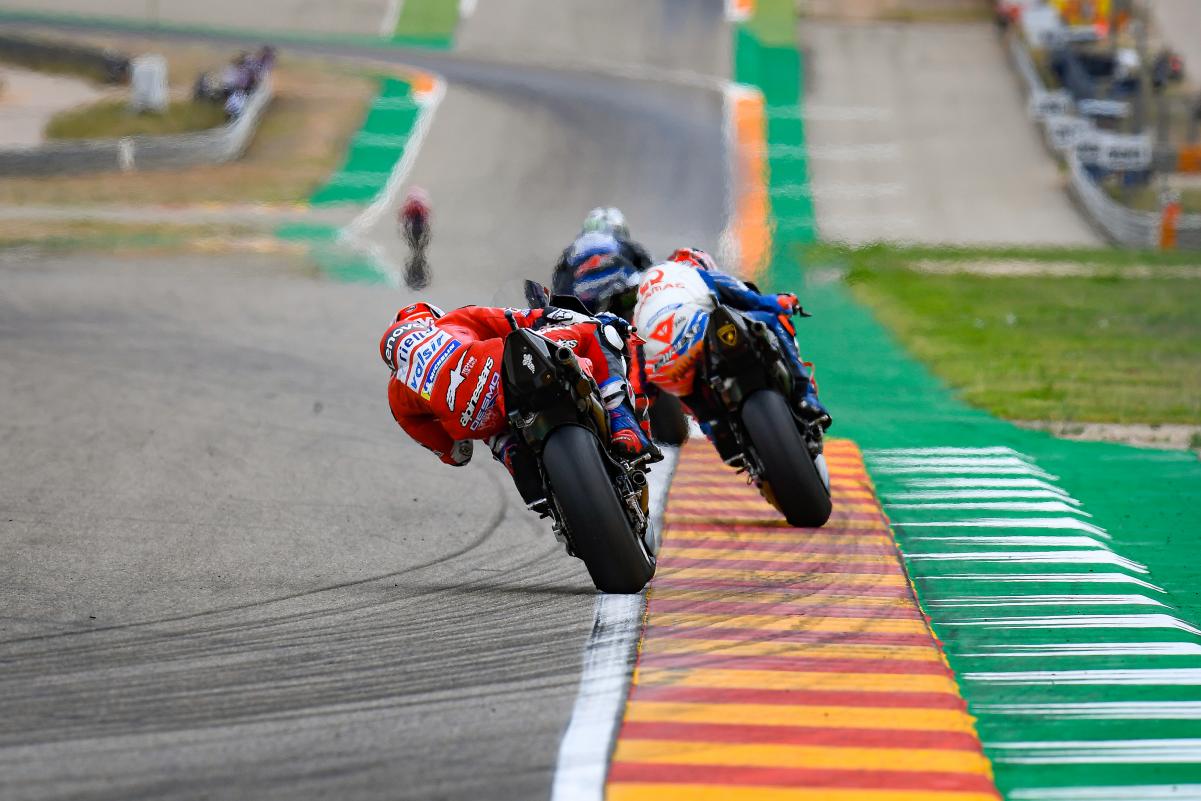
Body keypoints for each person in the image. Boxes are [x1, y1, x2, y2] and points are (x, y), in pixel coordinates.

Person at [379, 302, 653, 500]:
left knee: (486, 425)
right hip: (502, 369)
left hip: (473, 420)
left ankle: (513, 455)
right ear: (430, 320)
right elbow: (528, 318)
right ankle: (623, 422)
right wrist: (589, 318)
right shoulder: (453, 320)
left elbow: (457, 455)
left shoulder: (397, 396)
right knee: (597, 331)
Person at [633, 247, 832, 430]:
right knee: (773, 319)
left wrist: (643, 395)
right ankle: (805, 395)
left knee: (699, 408)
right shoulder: (698, 275)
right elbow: (757, 302)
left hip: (664, 365)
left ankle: (720, 435)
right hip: (699, 336)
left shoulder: (640, 308)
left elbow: (638, 372)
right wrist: (787, 301)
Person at [552, 207, 653, 296]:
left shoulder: (570, 250)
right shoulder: (625, 245)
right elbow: (651, 271)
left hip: (577, 299)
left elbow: (558, 287)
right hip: (618, 295)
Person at [399, 187, 431, 251]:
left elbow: (405, 213)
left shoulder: (411, 205)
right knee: (418, 233)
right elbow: (426, 212)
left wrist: (403, 218)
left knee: (415, 234)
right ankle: (418, 246)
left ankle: (416, 245)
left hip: (415, 223)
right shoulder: (420, 204)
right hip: (419, 222)